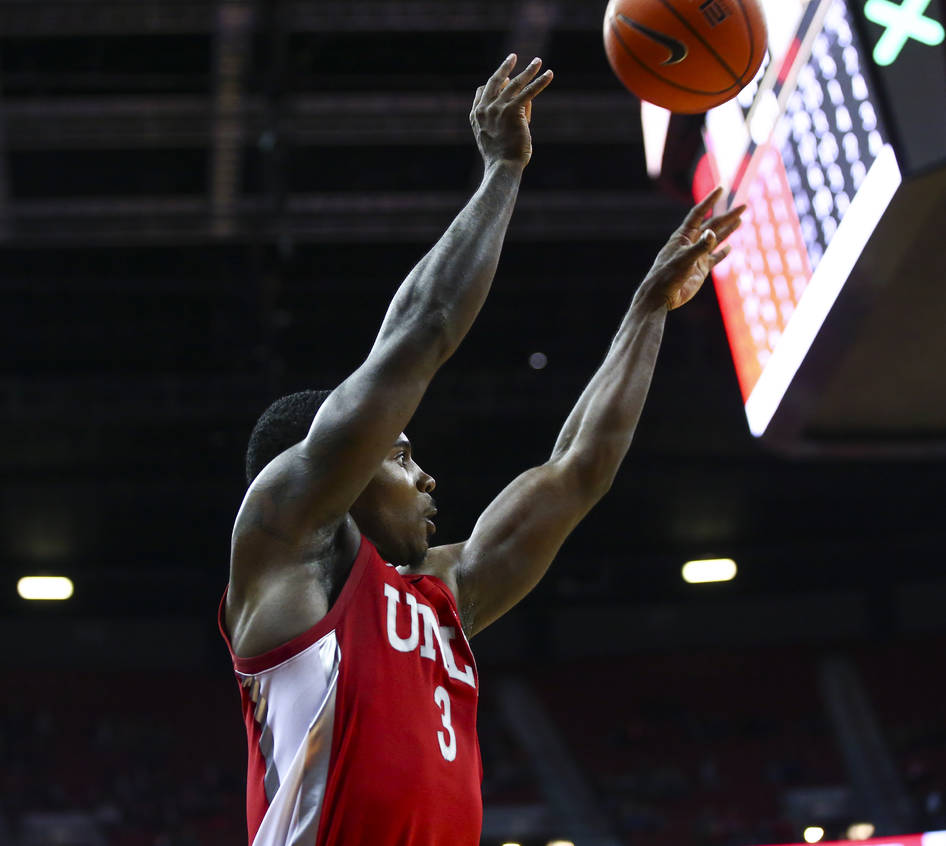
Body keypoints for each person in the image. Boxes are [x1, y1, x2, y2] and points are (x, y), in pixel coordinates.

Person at [217, 53, 744, 846]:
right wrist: (502, 171)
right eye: (398, 455)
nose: (426, 475)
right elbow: (420, 334)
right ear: (338, 470)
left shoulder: (443, 594)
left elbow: (576, 474)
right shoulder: (284, 551)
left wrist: (648, 312)